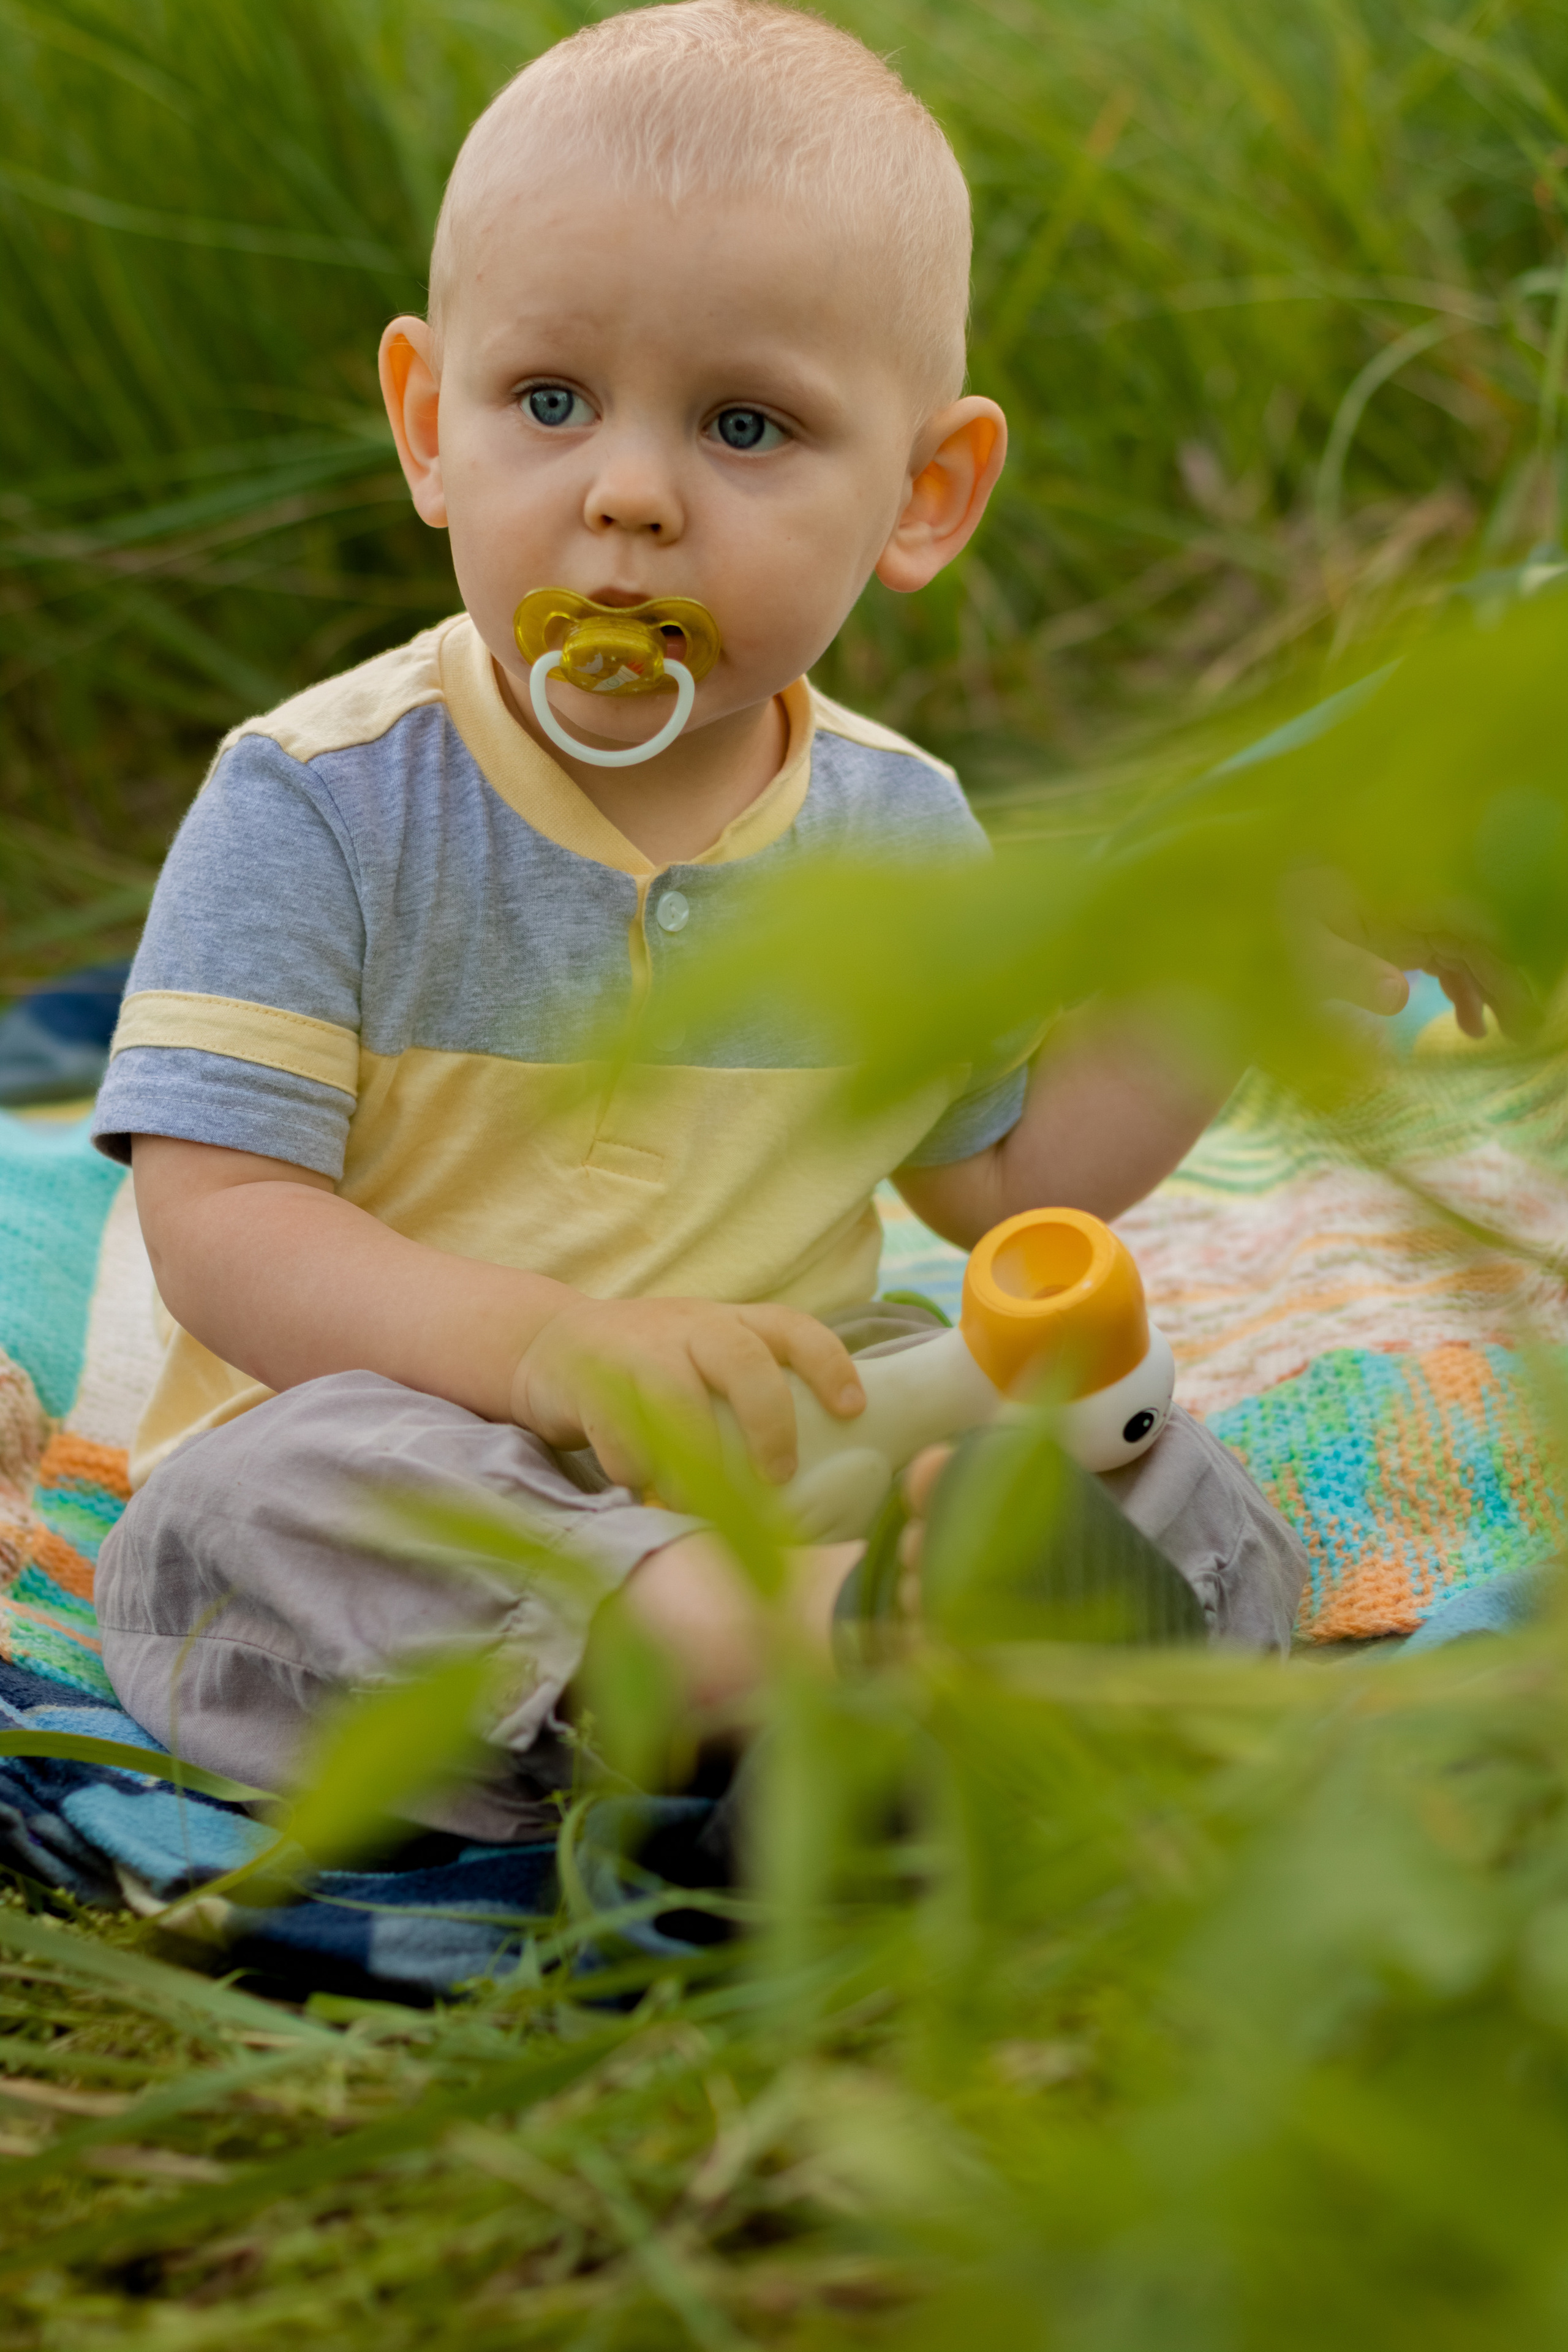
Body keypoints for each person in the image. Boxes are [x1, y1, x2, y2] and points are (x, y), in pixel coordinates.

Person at [91, 1, 1323, 1839]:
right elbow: (220, 1224)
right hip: (424, 1457)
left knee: (1143, 1450)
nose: (629, 495)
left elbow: (1006, 1187)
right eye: (550, 402)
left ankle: (941, 1664)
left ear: (922, 496)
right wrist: (550, 1350)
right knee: (236, 1518)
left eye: (747, 425)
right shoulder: (320, 797)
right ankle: (837, 1666)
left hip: (791, 1448)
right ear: (428, 427)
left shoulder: (898, 829)